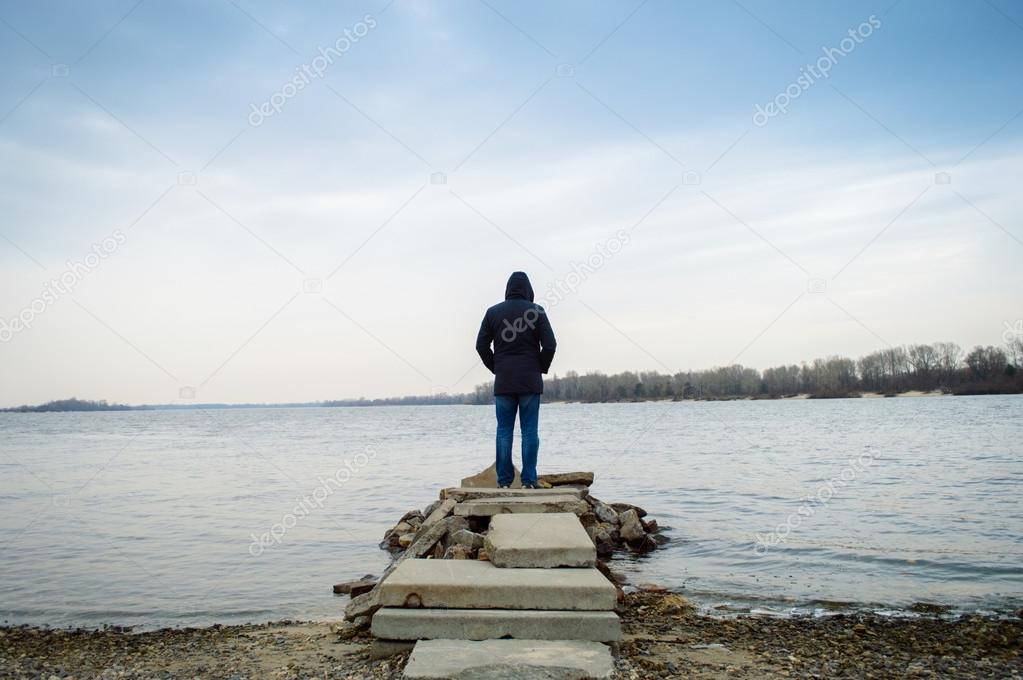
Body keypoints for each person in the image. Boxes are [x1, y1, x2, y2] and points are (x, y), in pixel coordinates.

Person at [475, 271, 557, 489]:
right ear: (528, 290)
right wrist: (540, 367)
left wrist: (496, 367)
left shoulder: (492, 312)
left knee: (504, 431)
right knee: (530, 431)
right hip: (530, 380)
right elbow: (550, 345)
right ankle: (529, 481)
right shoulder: (536, 311)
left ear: (508, 289)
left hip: (504, 381)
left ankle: (503, 482)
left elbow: (481, 346)